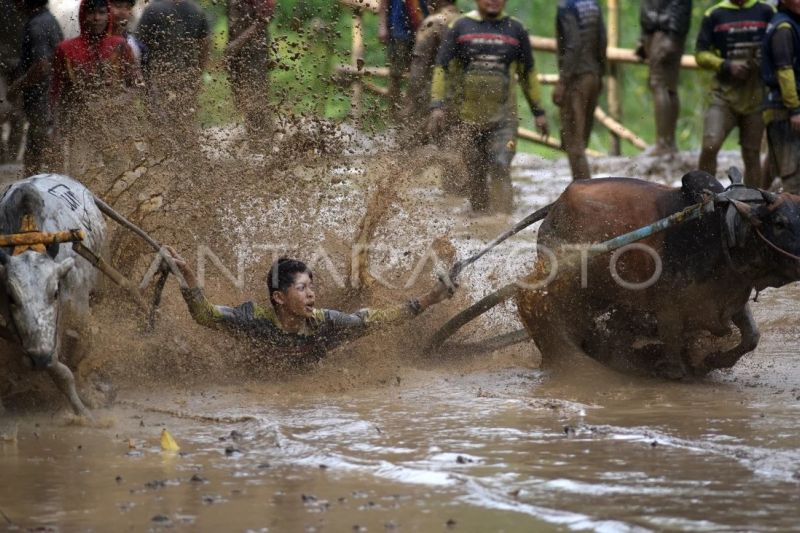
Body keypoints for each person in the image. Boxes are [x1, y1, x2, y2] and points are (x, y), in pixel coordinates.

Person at [165, 250, 455, 365]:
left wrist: (430, 298)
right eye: (302, 289)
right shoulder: (253, 319)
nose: (311, 296)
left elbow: (373, 321)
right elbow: (205, 315)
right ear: (279, 298)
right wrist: (188, 277)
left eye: (312, 288)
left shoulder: (326, 323)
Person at [427, 0, 549, 214]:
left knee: (501, 164)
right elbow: (441, 69)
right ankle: (482, 226)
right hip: (466, 120)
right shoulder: (460, 27)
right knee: (475, 172)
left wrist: (539, 112)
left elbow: (528, 73)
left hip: (504, 120)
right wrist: (437, 105)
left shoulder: (516, 29)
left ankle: (504, 223)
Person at [696, 0, 774, 187]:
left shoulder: (765, 11)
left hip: (756, 94)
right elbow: (700, 54)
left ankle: (752, 200)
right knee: (710, 144)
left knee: (752, 152)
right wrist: (725, 65)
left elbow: (779, 42)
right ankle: (701, 195)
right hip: (723, 95)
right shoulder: (715, 14)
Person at [50, 0, 138, 146]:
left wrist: (111, 104)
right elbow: (56, 91)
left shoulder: (120, 46)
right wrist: (55, 127)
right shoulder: (66, 50)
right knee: (80, 168)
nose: (97, 18)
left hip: (116, 129)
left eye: (102, 13)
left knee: (120, 168)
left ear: (108, 15)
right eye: (91, 13)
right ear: (82, 16)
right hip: (79, 128)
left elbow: (136, 86)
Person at [136, 0, 210, 133]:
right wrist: (199, 72)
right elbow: (205, 44)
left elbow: (140, 45)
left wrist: (143, 76)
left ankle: (161, 152)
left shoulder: (153, 8)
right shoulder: (196, 9)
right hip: (187, 77)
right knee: (186, 122)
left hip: (158, 76)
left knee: (159, 125)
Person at [8, 0, 62, 174]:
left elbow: (42, 65)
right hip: (48, 98)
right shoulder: (47, 19)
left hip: (42, 99)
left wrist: (17, 86)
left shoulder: (37, 25)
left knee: (37, 152)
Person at [553, 0, 606, 180]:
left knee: (574, 144)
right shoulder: (593, 5)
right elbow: (602, 40)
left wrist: (563, 81)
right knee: (581, 141)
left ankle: (583, 190)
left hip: (576, 79)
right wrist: (601, 74)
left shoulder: (566, 7)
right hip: (593, 75)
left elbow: (573, 44)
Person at [638, 0, 692, 156]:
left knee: (658, 84)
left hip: (664, 32)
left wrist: (670, 36)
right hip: (664, 32)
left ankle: (663, 143)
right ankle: (668, 142)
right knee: (668, 86)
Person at [404, 0, 459, 142]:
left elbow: (419, 67)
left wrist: (412, 98)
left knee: (416, 140)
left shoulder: (433, 22)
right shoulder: (465, 22)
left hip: (430, 94)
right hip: (459, 95)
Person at [762, 0, 800, 192]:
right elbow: (784, 72)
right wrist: (795, 109)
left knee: (778, 166)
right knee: (792, 176)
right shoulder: (783, 29)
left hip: (785, 108)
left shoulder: (792, 23)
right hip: (783, 111)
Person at [226, 0, 275, 138]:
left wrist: (237, 43)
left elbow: (264, 19)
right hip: (236, 51)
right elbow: (234, 23)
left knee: (255, 97)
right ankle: (255, 136)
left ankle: (263, 140)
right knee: (241, 98)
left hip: (254, 50)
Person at [379, 0, 428, 109]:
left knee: (422, 74)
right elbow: (384, 3)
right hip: (399, 30)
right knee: (395, 75)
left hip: (424, 30)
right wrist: (382, 26)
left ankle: (415, 111)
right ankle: (393, 112)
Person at [109, 0, 147, 67]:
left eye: (128, 7)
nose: (123, 12)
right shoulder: (94, 39)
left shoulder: (134, 45)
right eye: (118, 6)